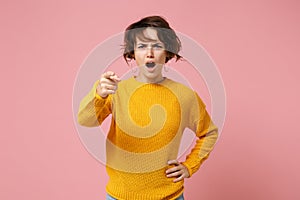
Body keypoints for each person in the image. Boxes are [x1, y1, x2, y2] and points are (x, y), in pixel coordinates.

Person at [77, 16, 219, 200]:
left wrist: (189, 165)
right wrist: (98, 94)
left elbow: (209, 133)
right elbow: (85, 120)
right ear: (133, 53)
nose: (149, 53)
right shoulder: (115, 89)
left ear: (167, 52)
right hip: (120, 196)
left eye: (157, 46)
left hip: (170, 196)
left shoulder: (185, 96)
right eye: (142, 46)